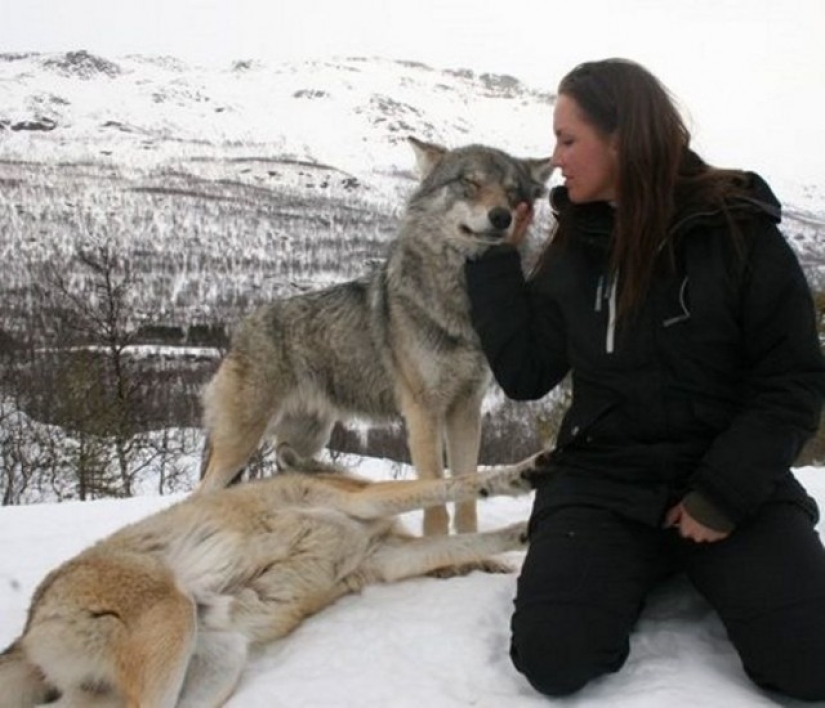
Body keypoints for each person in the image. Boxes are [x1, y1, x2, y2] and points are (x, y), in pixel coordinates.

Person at [464, 58, 825, 701]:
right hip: (605, 479)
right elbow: (525, 374)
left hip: (727, 479)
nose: (556, 159)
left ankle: (714, 550)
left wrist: (725, 494)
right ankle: (647, 559)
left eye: (568, 140)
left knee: (811, 663)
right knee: (553, 658)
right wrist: (496, 265)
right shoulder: (578, 245)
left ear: (623, 138)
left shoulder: (739, 231)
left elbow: (790, 380)